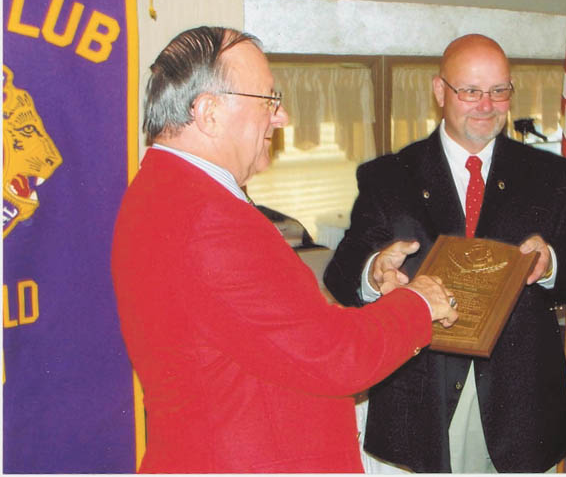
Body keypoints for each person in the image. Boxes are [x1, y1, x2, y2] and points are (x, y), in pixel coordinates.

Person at [110, 26, 458, 473]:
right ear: (209, 112)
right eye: (269, 101)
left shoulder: (158, 190)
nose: (283, 118)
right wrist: (417, 303)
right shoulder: (208, 217)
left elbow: (274, 332)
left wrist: (375, 303)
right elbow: (335, 356)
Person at [323, 34, 566, 473]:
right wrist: (372, 272)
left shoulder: (548, 174)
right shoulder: (390, 176)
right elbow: (342, 270)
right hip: (420, 391)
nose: (487, 105)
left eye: (499, 91)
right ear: (440, 91)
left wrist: (551, 261)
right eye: (471, 91)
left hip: (519, 395)